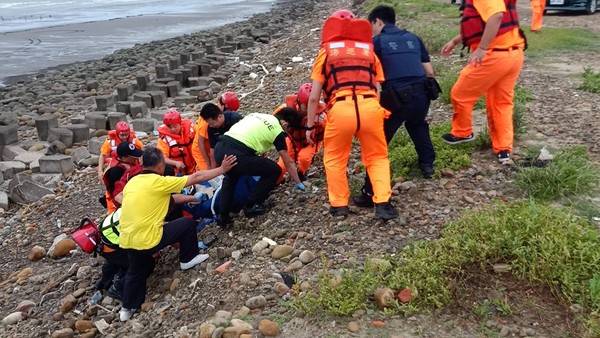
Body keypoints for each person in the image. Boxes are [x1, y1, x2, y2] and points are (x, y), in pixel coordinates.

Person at [118, 147, 237, 321]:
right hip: (149, 239)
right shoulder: (159, 181)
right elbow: (196, 177)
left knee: (134, 272)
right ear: (160, 165)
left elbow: (171, 199)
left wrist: (193, 198)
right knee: (187, 223)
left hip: (127, 239)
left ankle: (127, 309)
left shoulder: (133, 183)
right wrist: (222, 169)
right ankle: (188, 259)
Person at [304, 9, 398, 220]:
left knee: (335, 159)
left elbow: (313, 97)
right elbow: (377, 88)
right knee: (377, 157)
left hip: (341, 108)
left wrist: (310, 126)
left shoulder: (327, 52)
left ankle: (339, 206)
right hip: (370, 106)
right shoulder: (369, 52)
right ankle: (383, 203)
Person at [351, 6, 438, 208]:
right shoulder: (414, 38)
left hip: (397, 98)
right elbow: (429, 72)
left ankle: (370, 191)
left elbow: (367, 72)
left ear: (377, 22)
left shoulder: (378, 42)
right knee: (417, 125)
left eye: (371, 25)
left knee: (378, 144)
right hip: (423, 94)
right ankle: (427, 166)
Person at [440, 0, 525, 164]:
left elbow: (496, 16)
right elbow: (483, 23)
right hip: (513, 54)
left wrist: (482, 48)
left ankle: (462, 132)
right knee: (501, 103)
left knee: (460, 94)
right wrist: (455, 41)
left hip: (494, 56)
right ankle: (504, 149)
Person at [213, 111, 305, 227]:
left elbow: (255, 135)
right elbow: (288, 161)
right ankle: (251, 205)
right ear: (285, 124)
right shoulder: (277, 130)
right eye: (288, 131)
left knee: (231, 177)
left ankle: (223, 216)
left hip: (220, 148)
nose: (287, 133)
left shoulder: (259, 115)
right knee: (274, 170)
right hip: (238, 153)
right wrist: (298, 182)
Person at [273, 83, 327, 183]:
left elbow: (329, 131)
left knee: (304, 158)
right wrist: (281, 124)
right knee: (281, 166)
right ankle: (275, 182)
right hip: (292, 139)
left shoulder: (321, 116)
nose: (309, 108)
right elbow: (272, 119)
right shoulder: (286, 109)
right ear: (299, 101)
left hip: (311, 141)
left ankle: (301, 173)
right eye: (306, 105)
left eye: (312, 104)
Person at [193, 92, 240, 170]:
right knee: (207, 173)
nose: (230, 113)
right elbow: (200, 142)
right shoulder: (209, 122)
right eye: (229, 110)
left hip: (215, 146)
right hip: (201, 150)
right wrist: (209, 165)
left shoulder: (228, 117)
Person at [102, 142, 144, 213]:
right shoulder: (116, 171)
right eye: (132, 156)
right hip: (116, 205)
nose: (136, 158)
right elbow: (117, 194)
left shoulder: (131, 163)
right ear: (124, 158)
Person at [157, 109, 197, 175]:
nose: (173, 129)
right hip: (178, 173)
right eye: (169, 127)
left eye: (175, 126)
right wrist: (175, 163)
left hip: (196, 168)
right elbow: (162, 157)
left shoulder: (191, 129)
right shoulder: (164, 139)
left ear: (180, 123)